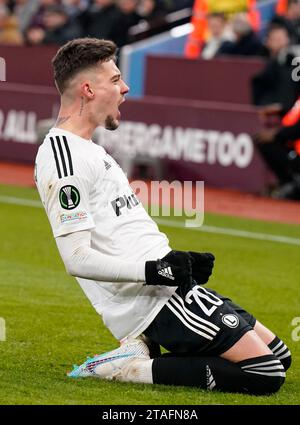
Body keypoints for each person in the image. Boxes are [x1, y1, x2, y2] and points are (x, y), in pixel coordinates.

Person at [35, 38, 291, 395]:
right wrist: (156, 270)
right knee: (265, 372)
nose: (125, 88)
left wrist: (175, 263)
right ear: (88, 89)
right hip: (152, 300)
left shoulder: (90, 150)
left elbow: (124, 232)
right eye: (115, 80)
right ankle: (128, 367)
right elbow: (75, 258)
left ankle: (140, 353)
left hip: (169, 285)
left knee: (281, 355)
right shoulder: (64, 158)